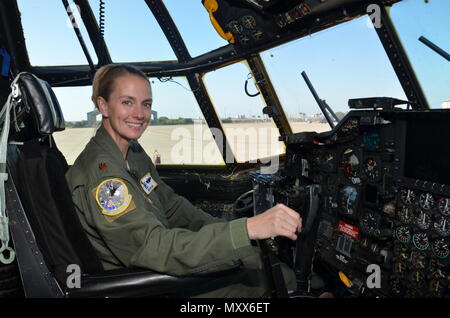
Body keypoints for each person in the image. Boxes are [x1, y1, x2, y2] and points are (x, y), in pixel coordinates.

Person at [65, 64, 302, 297]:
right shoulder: (105, 178)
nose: (140, 114)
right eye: (127, 102)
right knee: (272, 280)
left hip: (157, 262)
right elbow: (152, 247)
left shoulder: (133, 152)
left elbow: (172, 206)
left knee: (254, 258)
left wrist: (230, 231)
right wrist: (247, 229)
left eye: (146, 104)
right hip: (142, 285)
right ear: (103, 106)